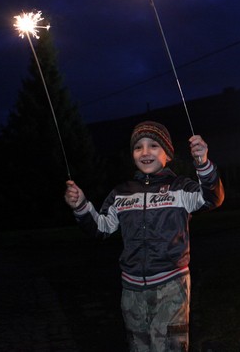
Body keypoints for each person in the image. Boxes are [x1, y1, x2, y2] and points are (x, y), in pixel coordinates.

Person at [64, 120, 225, 351]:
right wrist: (81, 205)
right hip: (131, 290)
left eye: (153, 146)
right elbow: (101, 228)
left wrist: (203, 164)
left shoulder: (181, 188)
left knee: (169, 347)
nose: (145, 152)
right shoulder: (121, 193)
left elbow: (212, 198)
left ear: (167, 154)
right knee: (139, 346)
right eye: (138, 147)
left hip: (171, 285)